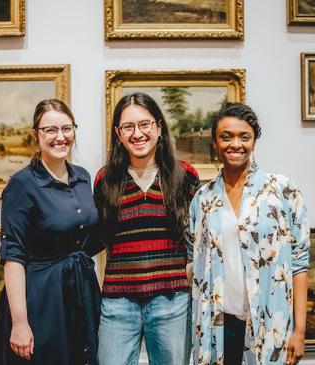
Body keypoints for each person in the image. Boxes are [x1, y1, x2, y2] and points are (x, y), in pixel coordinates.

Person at [188, 103, 310, 365]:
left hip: (269, 323)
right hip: (218, 326)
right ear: (214, 142)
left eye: (244, 136)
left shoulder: (282, 191)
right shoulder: (203, 199)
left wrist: (299, 331)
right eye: (226, 136)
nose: (235, 144)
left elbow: (299, 264)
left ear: (254, 141)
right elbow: (192, 264)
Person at [0, 99, 101, 365]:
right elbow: (13, 256)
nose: (60, 137)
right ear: (35, 134)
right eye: (50, 130)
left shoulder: (83, 177)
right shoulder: (22, 184)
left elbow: (89, 239)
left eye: (66, 128)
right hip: (41, 298)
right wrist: (20, 323)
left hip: (80, 293)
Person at [93, 92, 200, 365]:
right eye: (128, 127)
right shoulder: (105, 180)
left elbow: (200, 236)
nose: (137, 133)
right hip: (118, 301)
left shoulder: (185, 175)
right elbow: (100, 238)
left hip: (172, 301)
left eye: (145, 124)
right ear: (118, 133)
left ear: (159, 127)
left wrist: (188, 274)